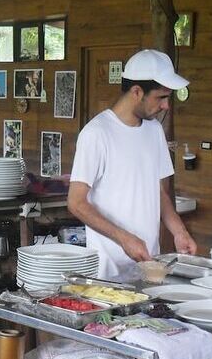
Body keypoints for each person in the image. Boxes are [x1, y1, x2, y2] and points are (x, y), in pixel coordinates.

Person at [69, 49, 197, 278]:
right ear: (137, 91)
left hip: (148, 265)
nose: (166, 106)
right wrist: (124, 238)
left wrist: (180, 232)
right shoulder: (97, 133)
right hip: (107, 271)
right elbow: (76, 203)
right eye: (161, 97)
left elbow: (159, 194)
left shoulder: (154, 130)